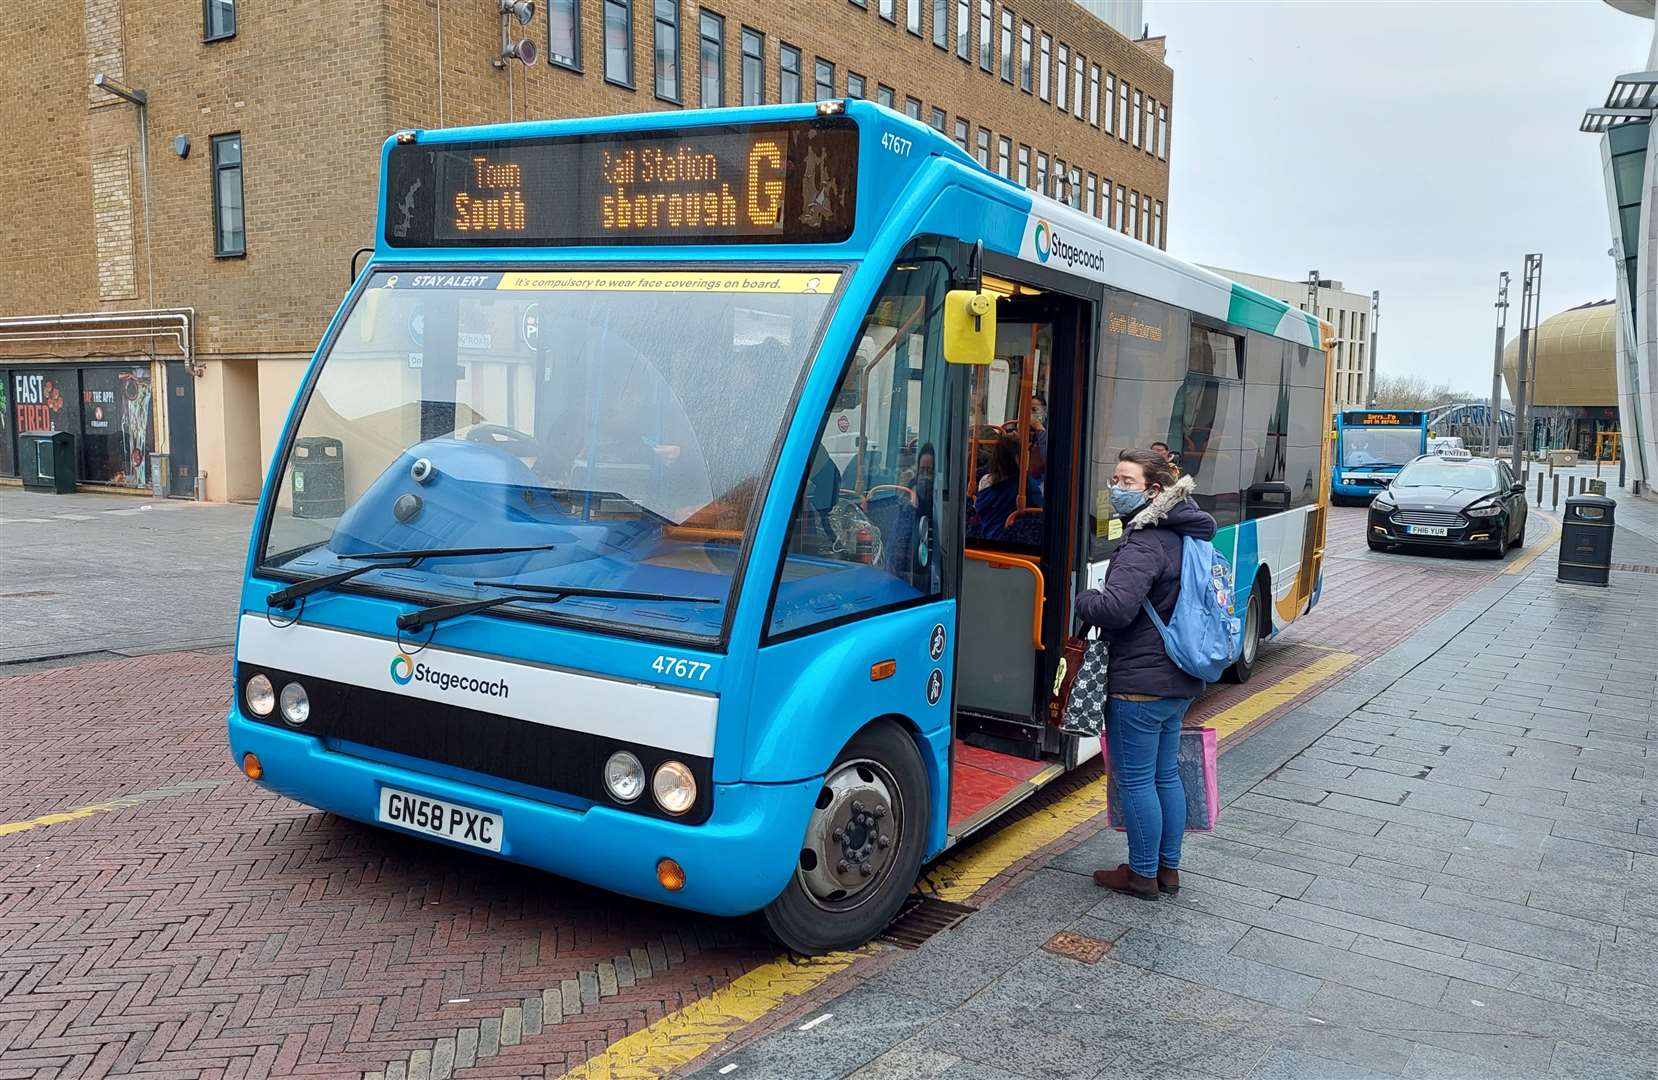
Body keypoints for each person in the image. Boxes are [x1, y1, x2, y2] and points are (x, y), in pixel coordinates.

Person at [1073, 447, 1215, 900]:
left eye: (1127, 482)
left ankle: (1140, 874)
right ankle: (1166, 870)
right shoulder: (1183, 535)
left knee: (1136, 780)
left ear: (1155, 491)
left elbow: (1116, 608)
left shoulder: (1145, 541)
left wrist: (1083, 600)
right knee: (1164, 776)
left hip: (1139, 682)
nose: (1116, 489)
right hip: (1176, 677)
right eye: (1115, 479)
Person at [972, 434, 1040, 541]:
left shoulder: (984, 480)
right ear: (1018, 458)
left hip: (984, 537)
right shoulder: (1026, 484)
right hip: (1008, 540)